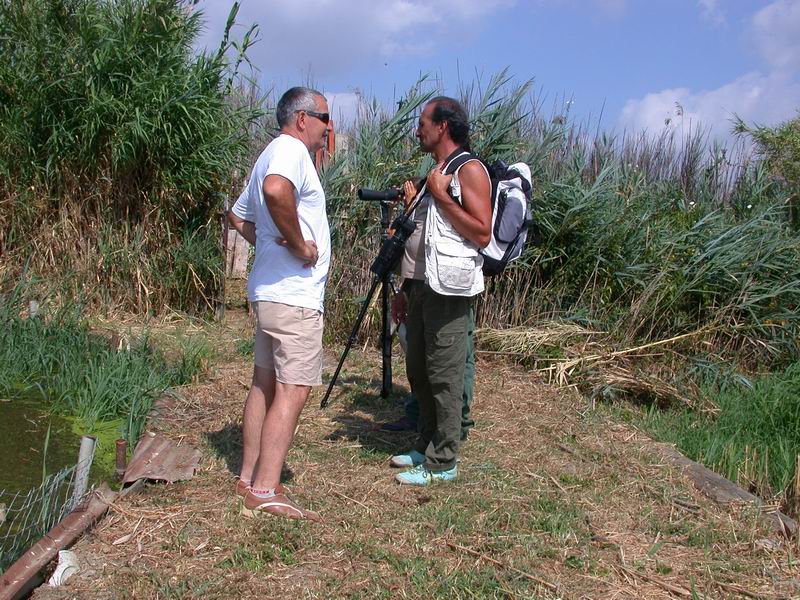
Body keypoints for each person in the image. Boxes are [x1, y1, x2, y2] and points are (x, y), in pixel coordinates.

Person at [227, 86, 332, 520]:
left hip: (270, 292)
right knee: (293, 388)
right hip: (293, 297)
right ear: (302, 118)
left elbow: (237, 215)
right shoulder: (289, 150)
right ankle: (266, 488)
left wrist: (271, 244)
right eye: (325, 118)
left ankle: (248, 476)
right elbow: (274, 192)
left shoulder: (269, 152)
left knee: (264, 383)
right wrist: (297, 246)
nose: (329, 128)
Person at [389, 97, 491, 485]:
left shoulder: (470, 170)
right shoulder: (437, 172)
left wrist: (443, 196)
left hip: (450, 290)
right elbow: (424, 240)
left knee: (445, 374)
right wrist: (404, 288)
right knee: (419, 367)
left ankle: (443, 461)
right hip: (421, 287)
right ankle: (426, 444)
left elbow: (481, 232)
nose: (418, 130)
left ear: (443, 126)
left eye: (422, 123)